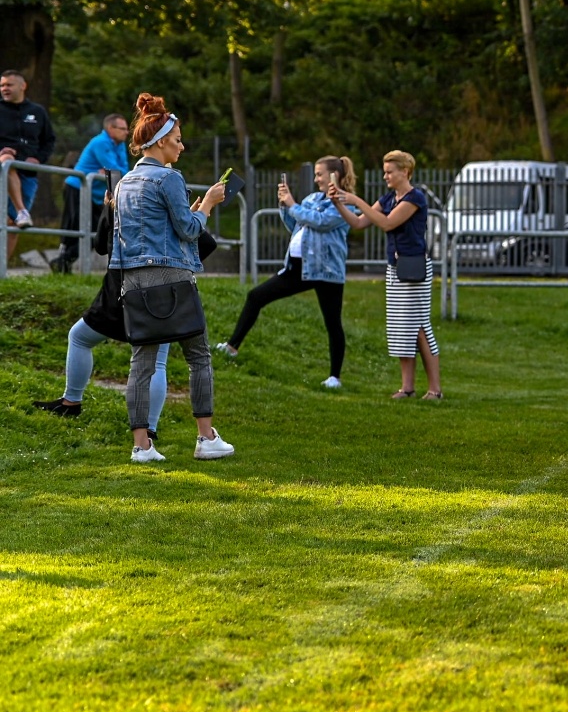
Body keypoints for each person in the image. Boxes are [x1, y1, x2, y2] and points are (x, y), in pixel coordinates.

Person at [111, 93, 233, 463]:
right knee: (198, 357)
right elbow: (188, 229)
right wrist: (208, 205)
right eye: (178, 139)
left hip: (133, 279)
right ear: (161, 140)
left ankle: (141, 446)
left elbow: (147, 228)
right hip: (173, 277)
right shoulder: (169, 178)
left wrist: (192, 212)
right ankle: (206, 438)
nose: (182, 146)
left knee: (141, 363)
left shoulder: (124, 182)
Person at [32, 192, 218, 433]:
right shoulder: (170, 218)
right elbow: (207, 245)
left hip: (117, 292)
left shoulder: (125, 205)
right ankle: (149, 428)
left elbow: (100, 245)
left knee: (80, 337)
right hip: (158, 294)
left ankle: (72, 401)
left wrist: (108, 209)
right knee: (156, 362)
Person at [217, 156, 353, 389]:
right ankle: (231, 347)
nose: (316, 178)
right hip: (298, 268)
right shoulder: (311, 198)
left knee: (332, 322)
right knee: (256, 296)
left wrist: (292, 204)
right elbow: (297, 224)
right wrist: (284, 206)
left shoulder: (344, 203)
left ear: (335, 176)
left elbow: (319, 221)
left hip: (326, 271)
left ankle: (334, 377)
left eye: (320, 174)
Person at [329, 150, 442, 399]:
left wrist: (356, 200)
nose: (386, 176)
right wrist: (339, 203)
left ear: (405, 171)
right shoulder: (389, 197)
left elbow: (388, 223)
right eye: (385, 171)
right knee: (402, 329)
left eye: (390, 171)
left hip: (414, 269)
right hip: (395, 268)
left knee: (420, 327)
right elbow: (359, 223)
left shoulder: (415, 198)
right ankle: (407, 388)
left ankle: (435, 389)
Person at [57, 112, 130, 272]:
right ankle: (62, 263)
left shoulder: (119, 144)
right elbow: (115, 169)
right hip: (77, 188)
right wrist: (112, 171)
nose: (127, 132)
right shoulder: (101, 142)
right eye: (123, 128)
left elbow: (123, 171)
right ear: (110, 128)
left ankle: (63, 261)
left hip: (94, 194)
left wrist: (113, 171)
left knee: (97, 230)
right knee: (74, 227)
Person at [0, 68, 56, 257]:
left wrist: (38, 158)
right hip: (3, 170)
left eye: (9, 84)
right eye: (2, 85)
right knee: (7, 160)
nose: (4, 88)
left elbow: (49, 140)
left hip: (28, 174)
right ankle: (21, 209)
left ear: (23, 86)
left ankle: (2, 271)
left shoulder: (37, 111)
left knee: (14, 224)